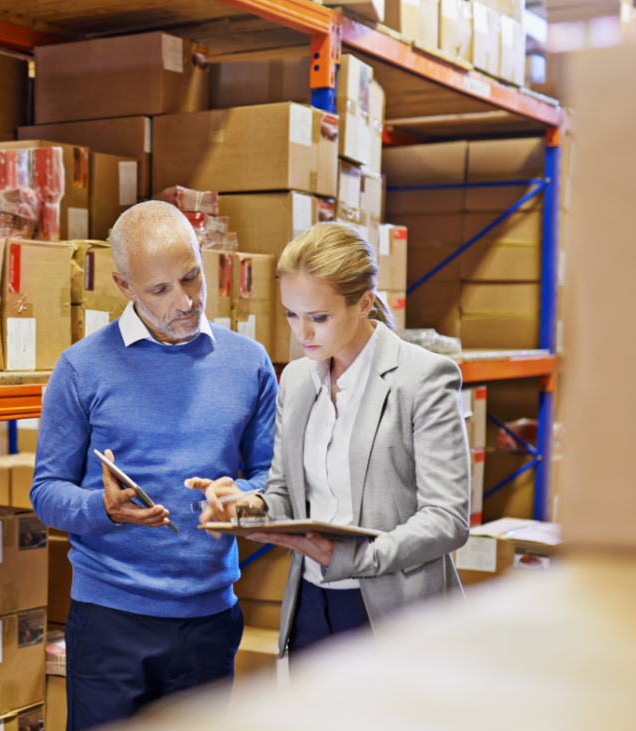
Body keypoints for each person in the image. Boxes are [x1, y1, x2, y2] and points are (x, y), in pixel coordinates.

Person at [31, 201, 278, 731]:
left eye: (192, 277)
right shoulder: (81, 367)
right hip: (109, 622)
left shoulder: (249, 363)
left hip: (210, 619)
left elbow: (270, 480)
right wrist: (104, 509)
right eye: (160, 290)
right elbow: (46, 492)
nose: (185, 301)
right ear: (124, 286)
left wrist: (243, 501)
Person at [200, 222, 470, 658]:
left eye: (318, 317)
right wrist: (247, 507)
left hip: (393, 614)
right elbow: (285, 493)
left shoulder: (422, 379)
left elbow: (447, 519)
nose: (301, 333)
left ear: (364, 303)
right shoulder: (296, 379)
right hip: (310, 603)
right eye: (291, 313)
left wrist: (355, 560)